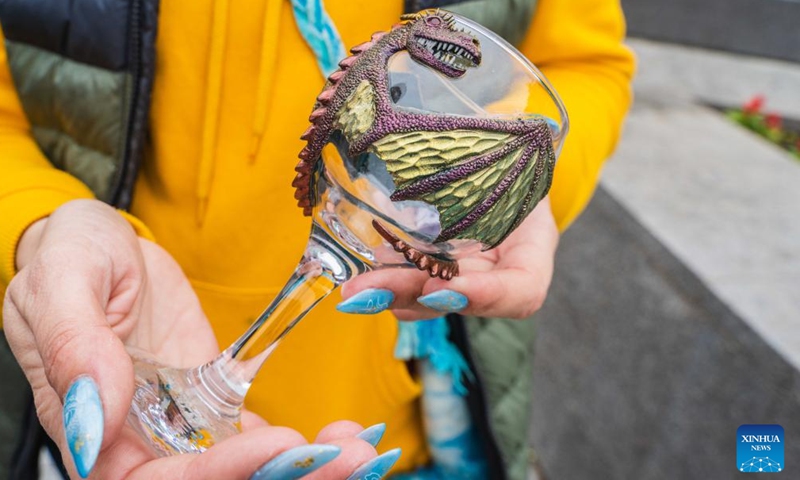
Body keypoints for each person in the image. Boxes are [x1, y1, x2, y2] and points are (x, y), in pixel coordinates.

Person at [0, 0, 634, 478]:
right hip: (116, 356)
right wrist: (39, 221)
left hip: (395, 413)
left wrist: (504, 187)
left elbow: (587, 64)